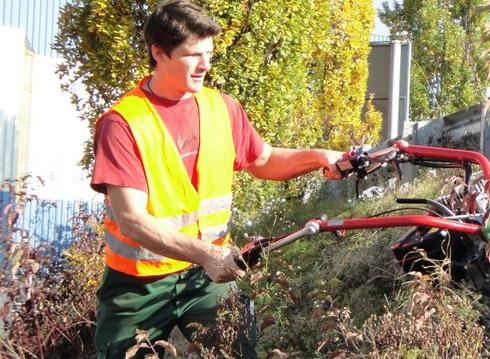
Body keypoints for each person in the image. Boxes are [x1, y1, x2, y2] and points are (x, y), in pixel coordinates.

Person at [89, 1, 348, 357]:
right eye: (193, 55)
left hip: (208, 279)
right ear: (158, 53)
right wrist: (207, 254)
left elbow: (265, 159)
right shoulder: (122, 123)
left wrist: (318, 156)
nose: (205, 65)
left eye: (209, 54)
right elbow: (133, 221)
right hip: (138, 286)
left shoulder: (222, 108)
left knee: (237, 351)